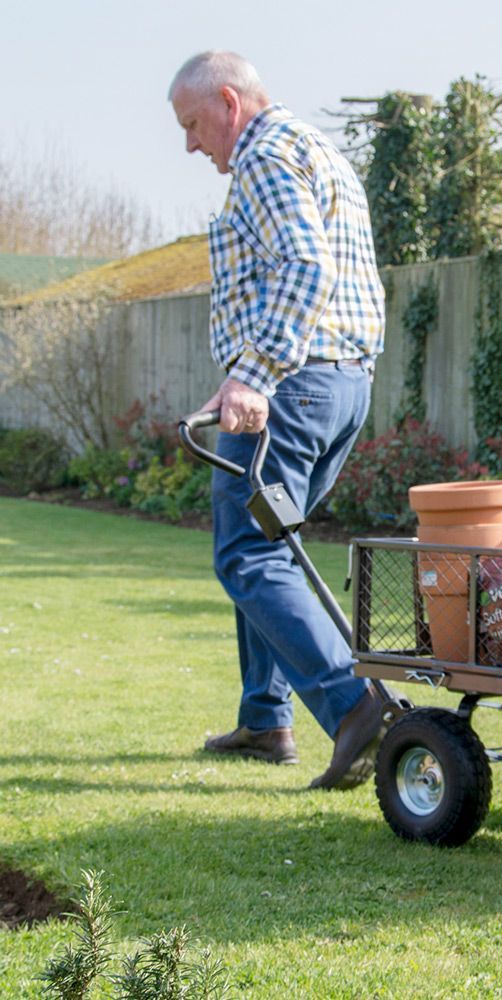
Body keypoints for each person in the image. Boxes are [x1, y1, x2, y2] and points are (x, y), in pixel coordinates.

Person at [168, 50, 389, 790]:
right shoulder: (316, 148)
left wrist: (256, 374)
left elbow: (304, 267)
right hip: (340, 383)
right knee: (272, 544)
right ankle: (265, 716)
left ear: (228, 103)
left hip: (291, 386)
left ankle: (354, 705)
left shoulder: (264, 156)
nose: (191, 145)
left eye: (194, 124)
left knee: (246, 554)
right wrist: (235, 379)